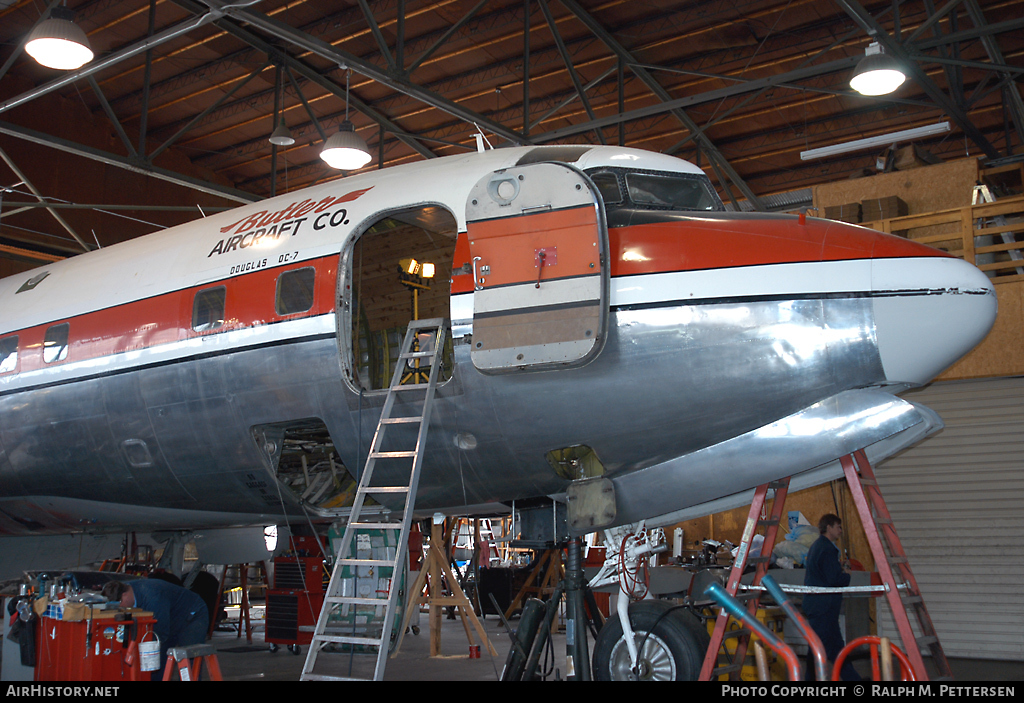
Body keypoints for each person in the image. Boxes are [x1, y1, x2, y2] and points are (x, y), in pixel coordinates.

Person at [101, 578, 209, 676]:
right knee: (157, 657)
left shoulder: (153, 597)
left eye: (119, 604)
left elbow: (160, 633)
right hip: (171, 615)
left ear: (124, 595)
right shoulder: (127, 589)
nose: (120, 608)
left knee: (187, 658)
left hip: (192, 614)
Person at [802, 513, 861, 681]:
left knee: (831, 648)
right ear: (829, 527)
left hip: (820, 607)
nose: (840, 530)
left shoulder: (818, 546)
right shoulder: (827, 549)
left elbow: (825, 573)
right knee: (819, 649)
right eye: (838, 527)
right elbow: (833, 579)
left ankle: (853, 679)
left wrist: (837, 567)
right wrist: (846, 575)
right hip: (824, 608)